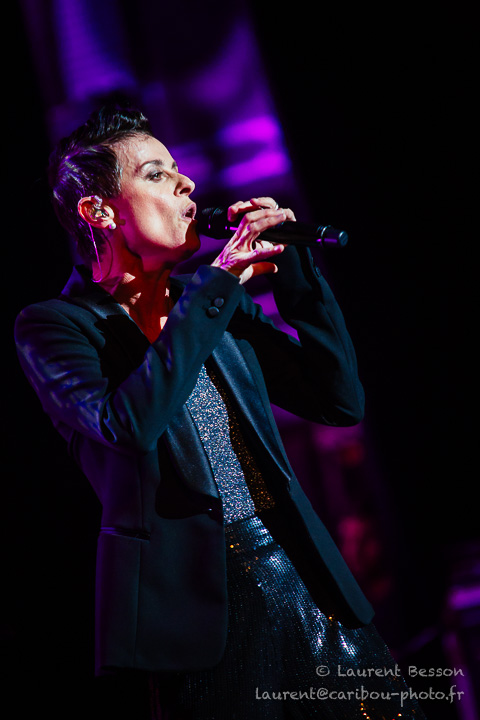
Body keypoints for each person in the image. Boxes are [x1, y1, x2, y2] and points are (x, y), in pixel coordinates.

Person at [15, 105, 426, 719]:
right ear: (98, 211)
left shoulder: (211, 303)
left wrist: (295, 273)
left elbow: (339, 401)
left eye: (179, 170)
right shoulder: (56, 327)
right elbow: (130, 425)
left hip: (309, 581)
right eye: (157, 174)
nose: (186, 184)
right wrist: (219, 281)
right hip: (203, 615)